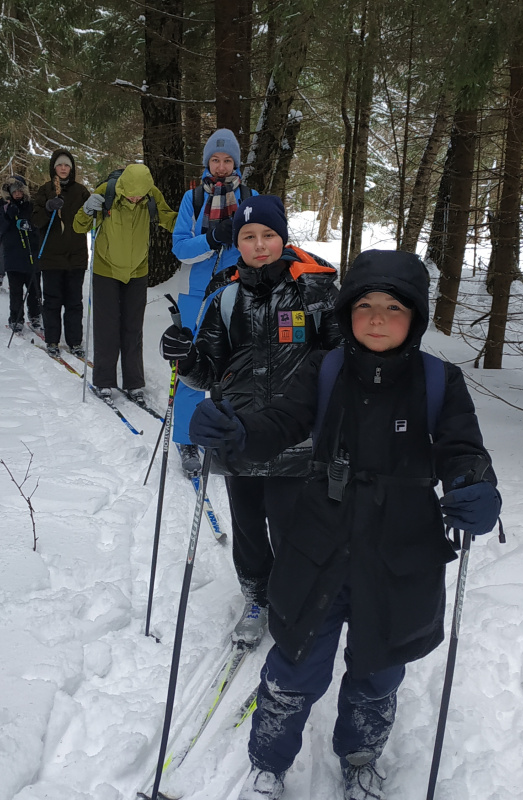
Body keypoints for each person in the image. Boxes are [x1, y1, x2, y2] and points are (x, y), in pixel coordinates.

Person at [188, 249, 502, 800]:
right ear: (348, 311)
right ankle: (268, 758)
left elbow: (461, 448)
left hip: (401, 552)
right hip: (319, 542)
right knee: (295, 661)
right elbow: (282, 419)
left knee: (378, 670)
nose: (377, 319)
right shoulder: (326, 367)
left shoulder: (438, 381)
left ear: (416, 317)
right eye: (365, 306)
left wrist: (474, 486)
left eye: (393, 308)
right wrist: (238, 431)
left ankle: (359, 755)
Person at [160, 194, 343, 646]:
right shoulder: (225, 295)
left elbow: (341, 360)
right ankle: (256, 595)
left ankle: (290, 597)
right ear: (237, 243)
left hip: (295, 438)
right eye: (248, 237)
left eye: (268, 235)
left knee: (289, 525)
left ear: (282, 237)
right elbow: (209, 369)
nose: (259, 245)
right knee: (247, 526)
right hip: (237, 433)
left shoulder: (315, 290)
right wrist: (184, 358)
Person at [170, 128, 256, 475]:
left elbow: (264, 242)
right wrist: (212, 237)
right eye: (215, 160)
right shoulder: (193, 199)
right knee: (191, 371)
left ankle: (230, 438)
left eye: (227, 160)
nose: (221, 166)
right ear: (207, 163)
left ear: (236, 162)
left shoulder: (251, 197)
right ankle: (187, 440)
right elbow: (180, 247)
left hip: (237, 291)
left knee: (237, 369)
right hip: (196, 295)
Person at [73, 163, 177, 401]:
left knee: (133, 328)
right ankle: (103, 381)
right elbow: (79, 227)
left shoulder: (151, 196)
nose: (135, 198)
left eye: (140, 196)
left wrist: (194, 227)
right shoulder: (105, 192)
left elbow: (168, 219)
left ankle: (134, 383)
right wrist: (87, 209)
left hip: (138, 270)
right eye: (132, 194)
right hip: (106, 269)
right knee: (106, 328)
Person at [32, 149, 91, 358]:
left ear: (72, 168)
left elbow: (90, 219)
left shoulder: (81, 192)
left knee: (74, 302)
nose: (64, 169)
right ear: (53, 168)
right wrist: (48, 208)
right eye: (60, 165)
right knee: (52, 301)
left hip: (76, 257)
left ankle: (75, 341)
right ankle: (53, 340)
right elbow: (36, 221)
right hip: (51, 258)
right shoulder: (44, 190)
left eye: (67, 165)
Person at [0, 176, 41, 334]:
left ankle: (35, 316)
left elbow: (39, 225)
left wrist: (31, 227)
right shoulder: (3, 206)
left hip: (31, 254)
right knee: (16, 291)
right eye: (14, 191)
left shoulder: (31, 206)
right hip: (12, 254)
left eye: (20, 191)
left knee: (34, 289)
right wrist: (8, 216)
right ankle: (16, 318)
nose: (18, 194)